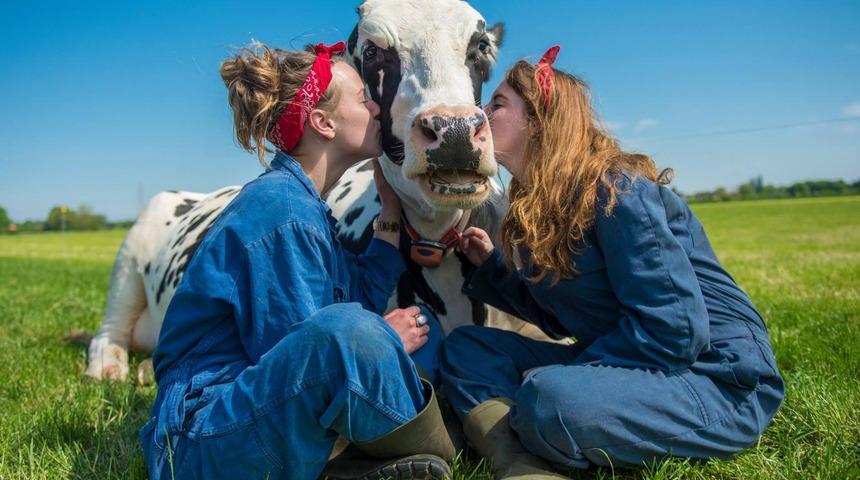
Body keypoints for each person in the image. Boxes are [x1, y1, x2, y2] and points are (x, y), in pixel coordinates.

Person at [441, 46, 784, 478]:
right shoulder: (539, 206)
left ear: (539, 121)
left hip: (713, 381)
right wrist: (490, 265)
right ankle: (520, 458)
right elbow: (559, 318)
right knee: (467, 347)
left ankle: (524, 429)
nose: (481, 113)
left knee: (551, 399)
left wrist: (568, 373)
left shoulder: (616, 191)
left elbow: (675, 331)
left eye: (498, 103)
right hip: (636, 367)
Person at [140, 41, 454, 480]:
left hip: (253, 418)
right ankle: (427, 452)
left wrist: (389, 217)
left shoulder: (307, 209)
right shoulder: (281, 211)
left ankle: (389, 458)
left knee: (417, 323)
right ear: (323, 122)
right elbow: (300, 349)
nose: (378, 109)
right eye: (363, 99)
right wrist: (382, 336)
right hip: (203, 441)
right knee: (352, 333)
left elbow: (355, 296)